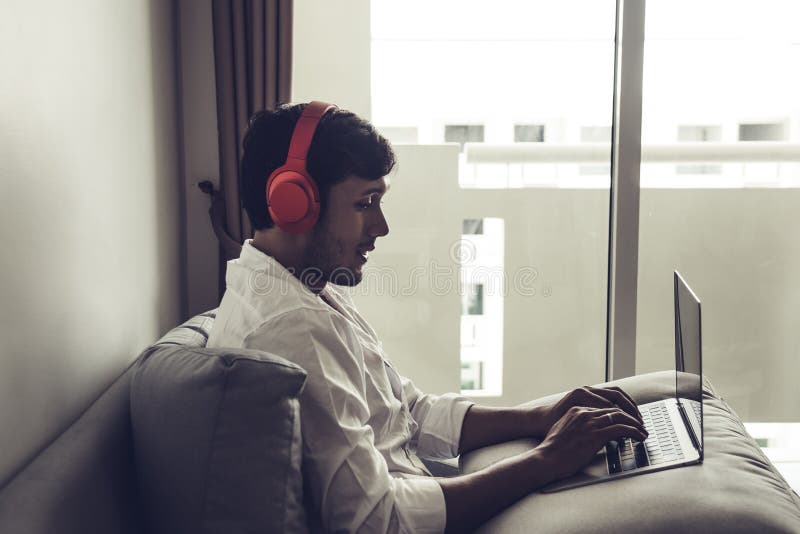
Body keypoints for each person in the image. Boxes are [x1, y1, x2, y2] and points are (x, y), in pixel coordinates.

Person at [206, 102, 648, 533]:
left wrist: (541, 416)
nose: (381, 226)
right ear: (295, 203)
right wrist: (547, 460)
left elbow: (410, 413)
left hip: (427, 483)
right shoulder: (293, 326)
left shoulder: (300, 289)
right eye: (365, 203)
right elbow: (378, 521)